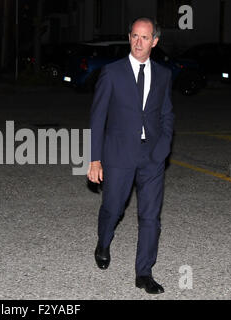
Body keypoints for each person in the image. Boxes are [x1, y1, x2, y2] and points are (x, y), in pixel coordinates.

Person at [87, 17, 175, 294]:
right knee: (113, 208)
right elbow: (98, 116)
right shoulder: (112, 72)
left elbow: (166, 114)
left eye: (145, 37)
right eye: (135, 36)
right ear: (129, 38)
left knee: (150, 217)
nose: (139, 42)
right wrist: (95, 159)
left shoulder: (163, 75)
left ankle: (144, 273)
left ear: (155, 42)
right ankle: (103, 242)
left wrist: (163, 149)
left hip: (152, 156)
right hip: (118, 155)